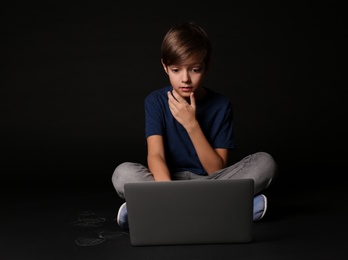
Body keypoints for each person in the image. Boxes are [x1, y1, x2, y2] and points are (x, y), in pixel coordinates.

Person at [111, 21, 278, 229]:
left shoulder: (221, 105)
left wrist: (192, 125)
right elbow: (156, 156)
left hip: (213, 182)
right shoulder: (155, 102)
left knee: (265, 162)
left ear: (207, 67)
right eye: (176, 70)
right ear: (165, 66)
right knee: (123, 173)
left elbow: (215, 169)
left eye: (195, 69)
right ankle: (235, 208)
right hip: (168, 181)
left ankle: (149, 210)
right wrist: (168, 193)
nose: (185, 79)